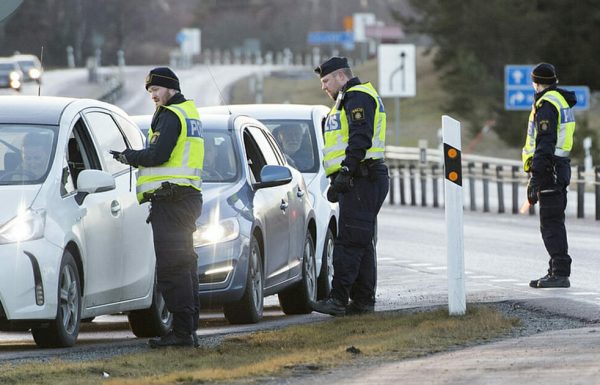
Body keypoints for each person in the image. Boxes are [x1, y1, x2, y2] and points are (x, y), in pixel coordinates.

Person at [111, 67, 204, 347]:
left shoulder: (171, 115)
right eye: (149, 91)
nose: (152, 95)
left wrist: (129, 156)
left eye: (155, 90)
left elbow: (158, 154)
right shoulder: (188, 111)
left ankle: (182, 333)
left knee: (172, 269)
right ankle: (187, 329)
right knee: (185, 266)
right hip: (184, 198)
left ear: (170, 88)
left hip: (172, 201)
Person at [311, 57, 389, 316]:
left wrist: (346, 171)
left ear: (341, 76)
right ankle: (363, 300)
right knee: (362, 241)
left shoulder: (357, 97)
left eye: (326, 81)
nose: (323, 87)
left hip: (362, 177)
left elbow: (360, 137)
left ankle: (338, 299)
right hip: (360, 177)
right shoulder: (346, 99)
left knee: (348, 242)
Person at [522, 62, 576, 289]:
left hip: (549, 170)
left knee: (551, 223)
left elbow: (545, 143)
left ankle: (560, 273)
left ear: (537, 83)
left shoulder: (546, 105)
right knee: (555, 221)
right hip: (558, 167)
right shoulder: (560, 100)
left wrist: (536, 176)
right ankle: (556, 269)